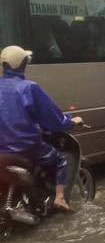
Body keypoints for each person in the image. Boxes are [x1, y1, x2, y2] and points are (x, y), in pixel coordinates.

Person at [0, 45, 84, 213]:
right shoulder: (29, 88)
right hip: (25, 147)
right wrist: (72, 122)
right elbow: (54, 120)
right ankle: (59, 198)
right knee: (61, 159)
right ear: (23, 64)